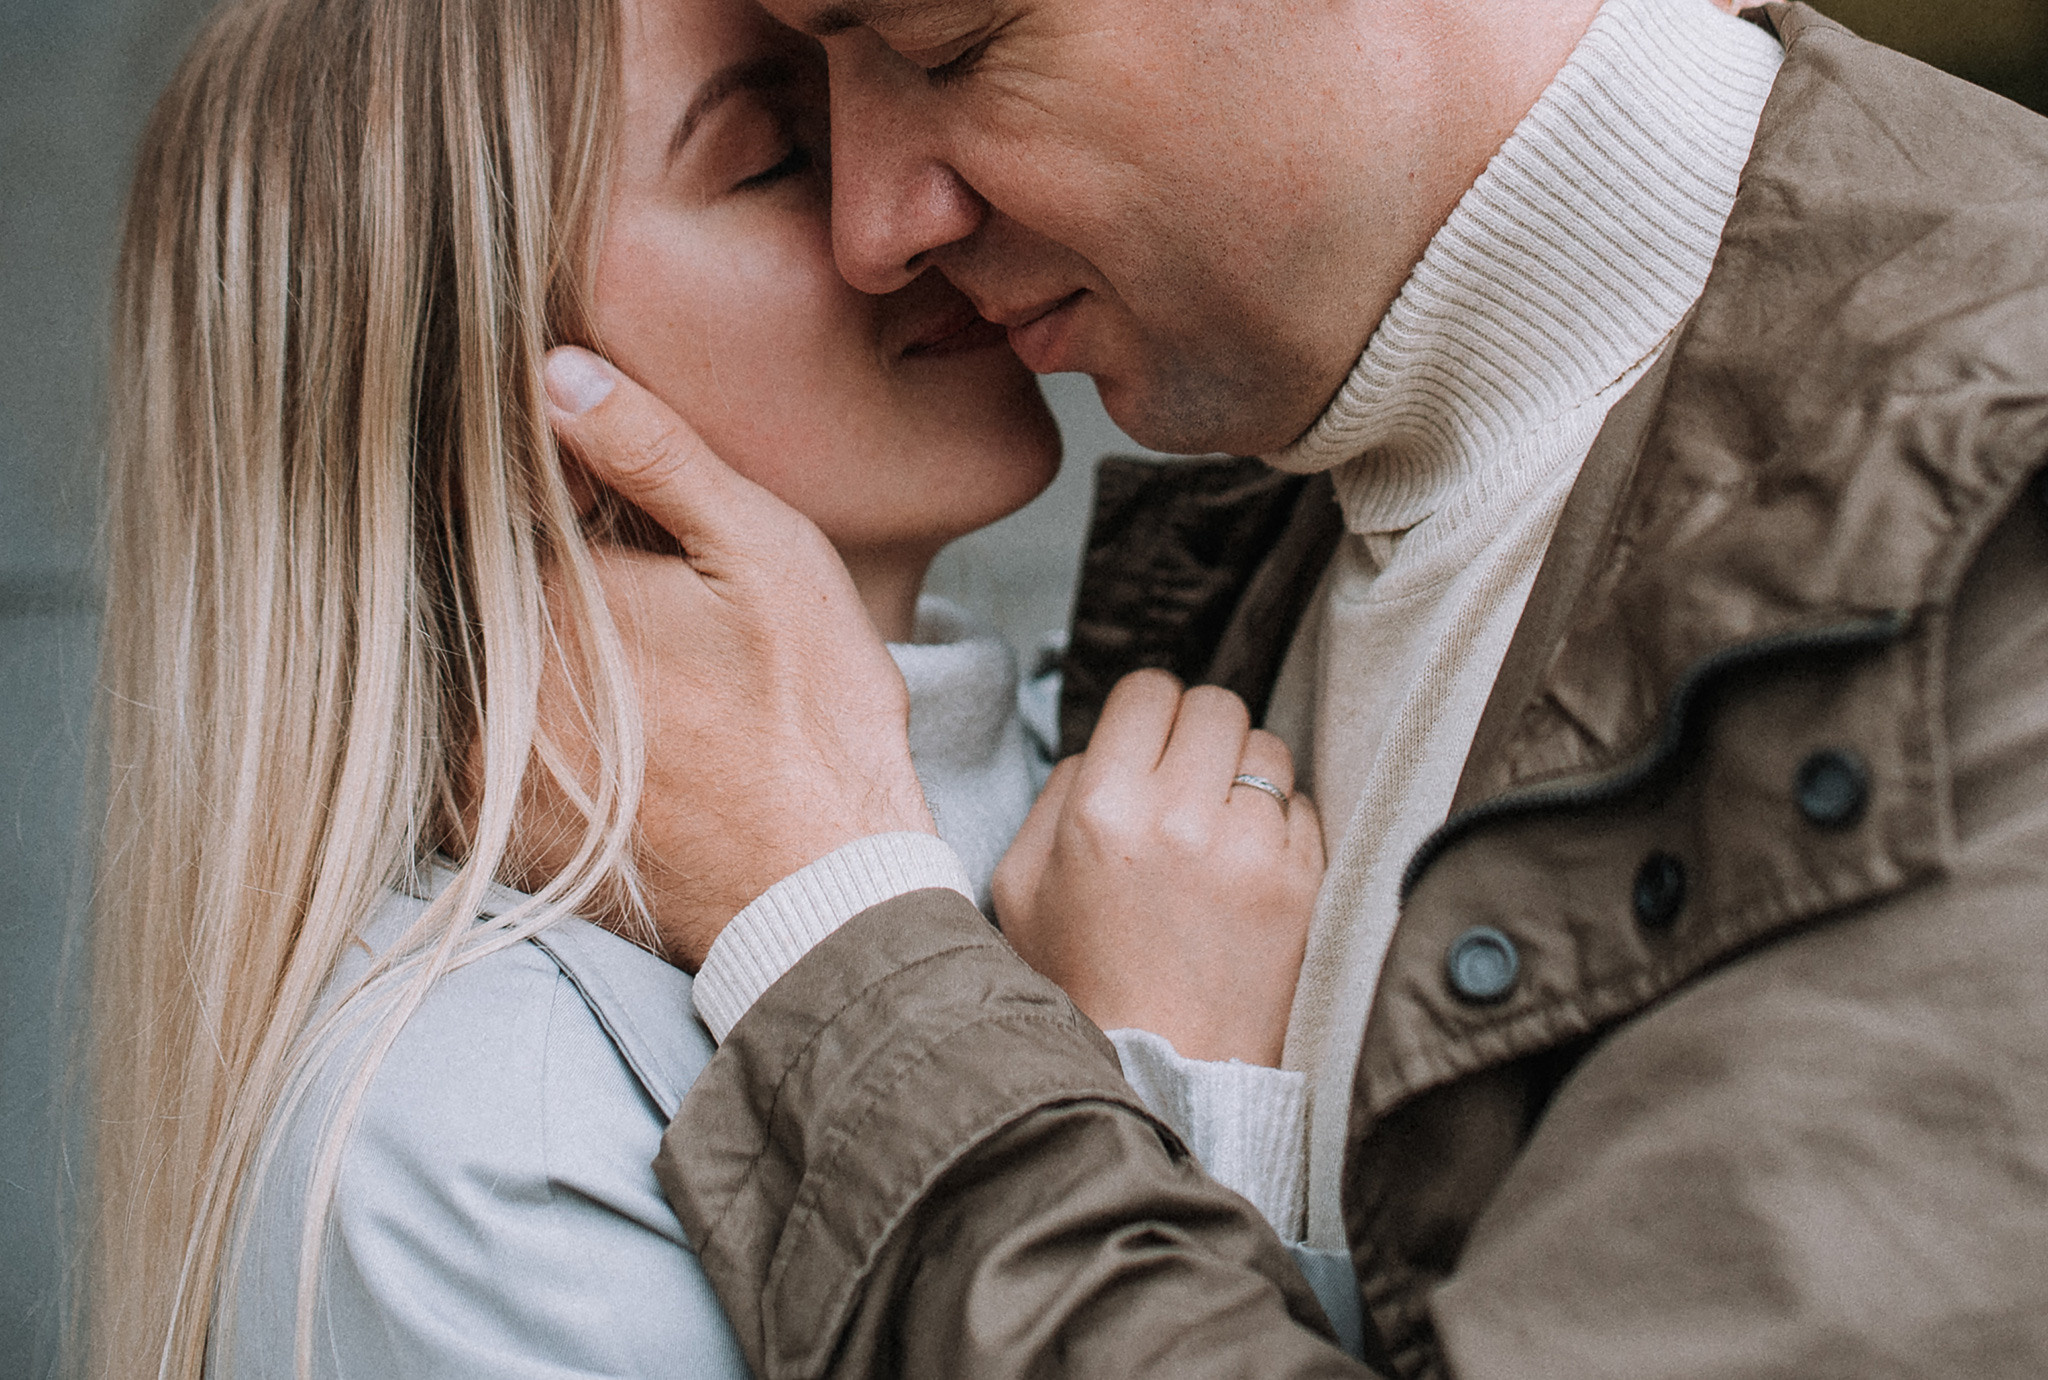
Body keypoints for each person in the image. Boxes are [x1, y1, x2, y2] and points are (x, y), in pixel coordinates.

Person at [538, 0, 2048, 1373]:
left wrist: (833, 931)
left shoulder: (2000, 560)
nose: (873, 226)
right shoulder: (1270, 484)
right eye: (808, 98)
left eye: (950, 51)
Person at [87, 0, 1322, 1374]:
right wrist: (1173, 1118)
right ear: (496, 397)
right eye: (782, 153)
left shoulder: (1129, 814)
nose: (907, 205)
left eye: (905, 85)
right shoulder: (487, 1133)